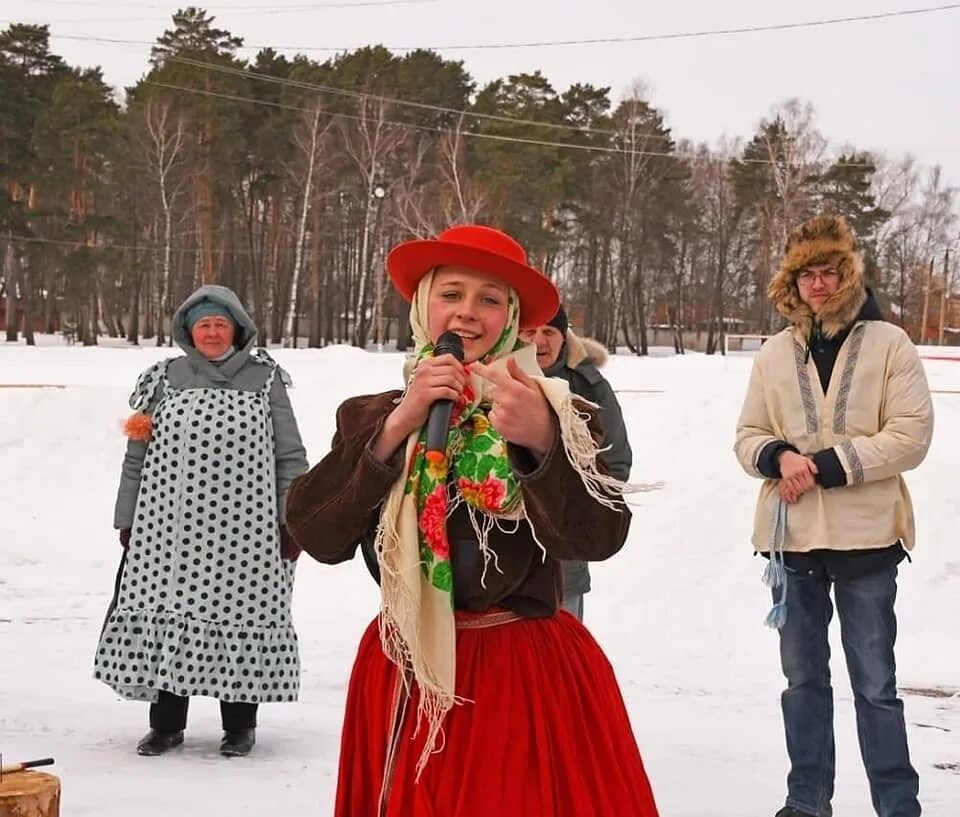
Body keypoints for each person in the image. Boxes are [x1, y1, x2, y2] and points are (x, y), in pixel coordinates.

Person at [286, 224, 659, 816]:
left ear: (512, 320)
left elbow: (599, 535)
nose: (467, 313)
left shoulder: (558, 410)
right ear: (421, 306)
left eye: (490, 299)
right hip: (407, 666)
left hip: (519, 673)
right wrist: (396, 428)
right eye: (451, 294)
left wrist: (542, 446)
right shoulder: (371, 415)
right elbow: (314, 533)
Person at [734, 215, 934, 817]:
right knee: (803, 686)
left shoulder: (889, 342)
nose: (817, 285)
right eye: (805, 275)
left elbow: (912, 436)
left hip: (867, 542)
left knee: (875, 688)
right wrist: (779, 455)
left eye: (828, 272)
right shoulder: (773, 353)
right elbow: (748, 435)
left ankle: (897, 807)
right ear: (790, 284)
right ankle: (807, 802)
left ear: (847, 276)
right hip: (791, 542)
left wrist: (818, 464)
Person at [94, 284, 308, 758]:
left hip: (249, 533)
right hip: (169, 532)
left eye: (220, 324)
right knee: (174, 615)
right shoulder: (164, 378)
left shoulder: (265, 378)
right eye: (203, 324)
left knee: (243, 614)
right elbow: (137, 454)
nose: (212, 332)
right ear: (189, 331)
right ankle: (166, 726)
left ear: (237, 329)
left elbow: (290, 455)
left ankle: (240, 727)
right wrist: (126, 518)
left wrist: (293, 519)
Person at [519, 305, 632, 620]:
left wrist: (574, 509)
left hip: (562, 566)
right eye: (530, 331)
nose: (539, 340)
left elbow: (616, 463)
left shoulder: (589, 387)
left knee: (558, 661)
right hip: (495, 567)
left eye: (549, 331)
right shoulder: (493, 379)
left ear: (563, 336)